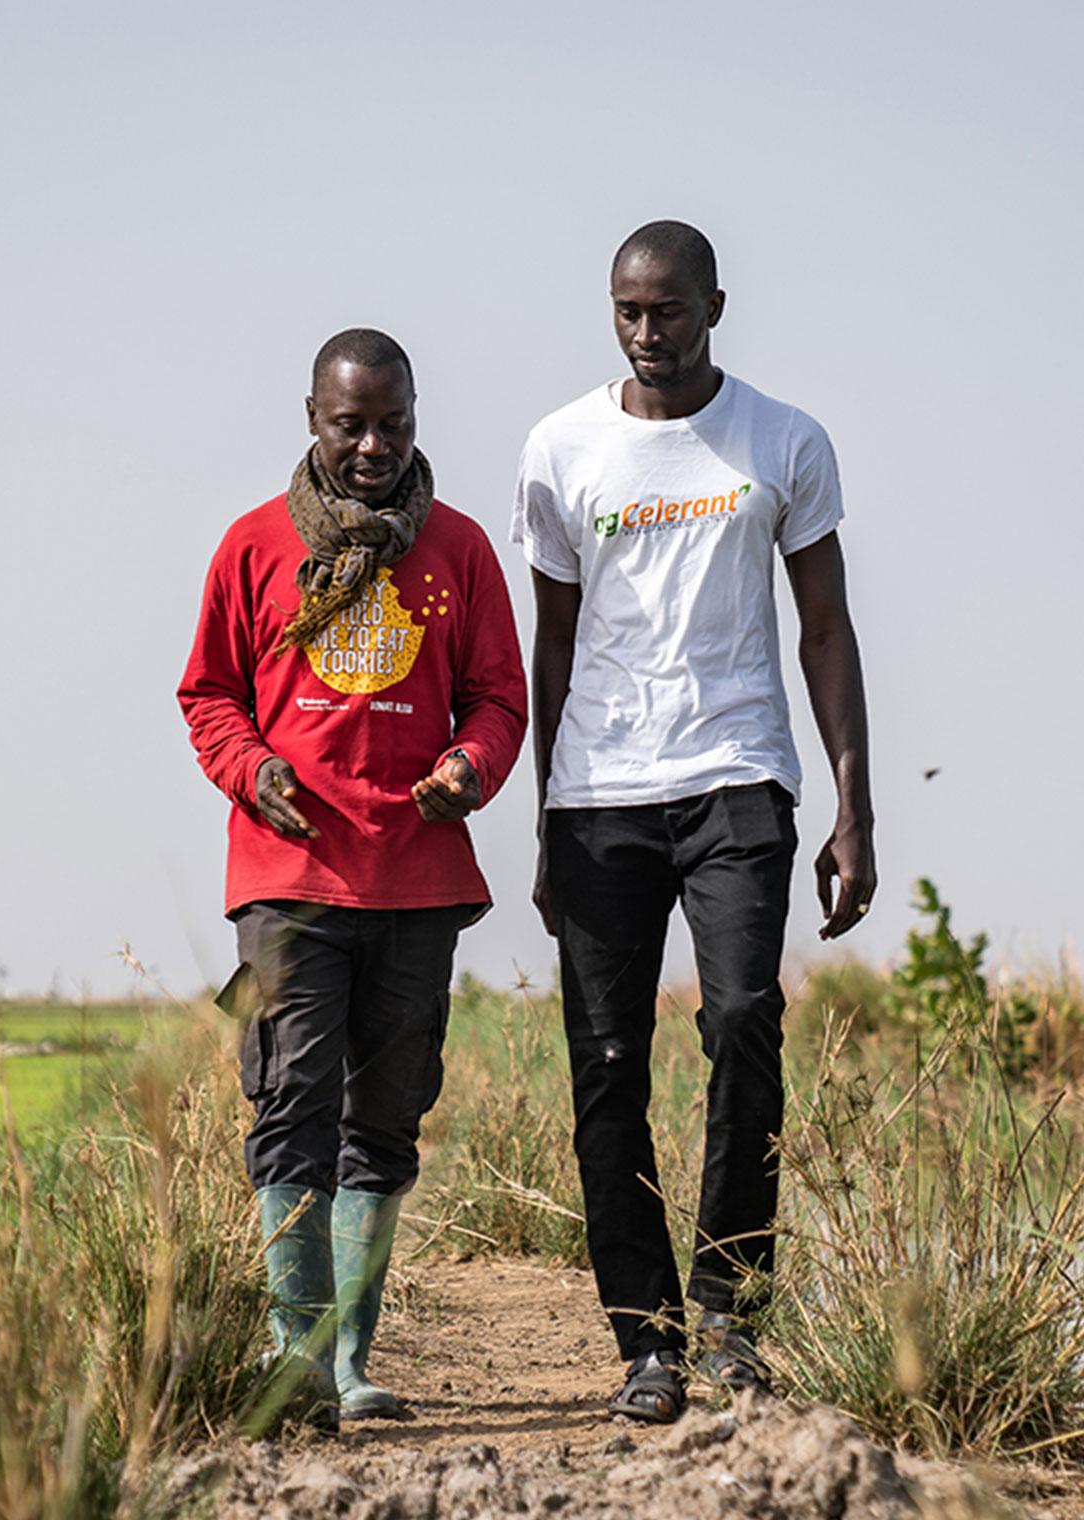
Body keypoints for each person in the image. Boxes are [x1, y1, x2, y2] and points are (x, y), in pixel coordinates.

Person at [512, 221, 876, 1423]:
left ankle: (728, 1313)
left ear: (714, 306)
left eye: (668, 309)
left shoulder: (783, 439)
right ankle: (647, 1339)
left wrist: (853, 801)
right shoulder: (562, 448)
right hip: (600, 793)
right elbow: (552, 643)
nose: (646, 331)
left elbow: (825, 626)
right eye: (628, 309)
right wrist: (546, 817)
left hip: (739, 775)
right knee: (607, 1061)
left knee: (745, 1022)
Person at [178, 328, 527, 1430]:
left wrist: (469, 768)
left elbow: (499, 698)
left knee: (385, 1115)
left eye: (394, 424)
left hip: (417, 882)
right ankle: (299, 1358)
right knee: (291, 1104)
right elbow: (208, 695)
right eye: (351, 425)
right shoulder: (252, 547)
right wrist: (255, 767)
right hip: (287, 877)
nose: (374, 446)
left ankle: (352, 1358)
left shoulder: (461, 550)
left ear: (416, 418)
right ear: (312, 420)